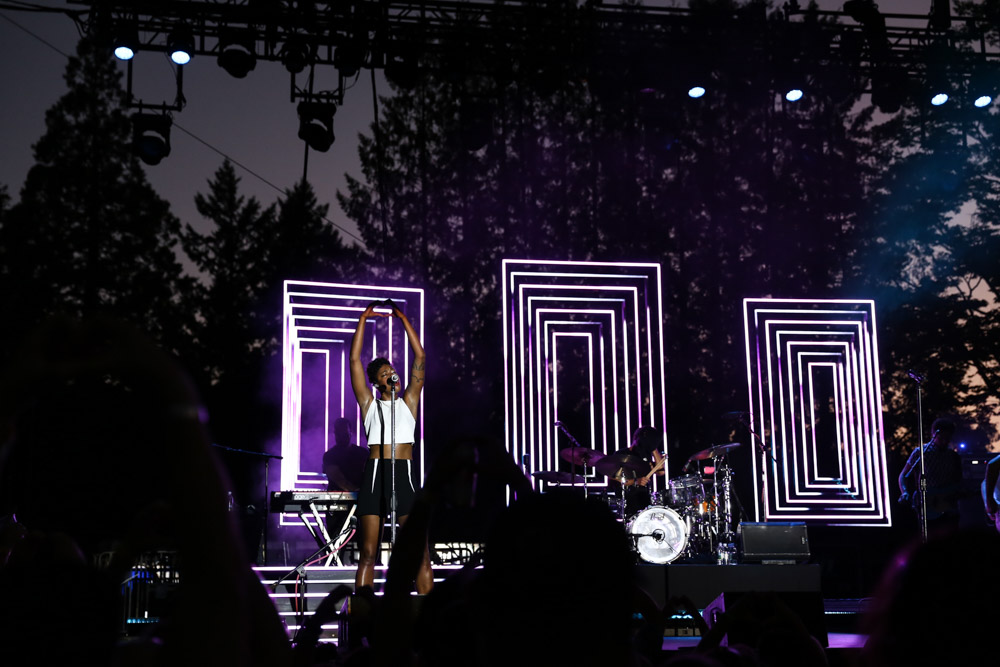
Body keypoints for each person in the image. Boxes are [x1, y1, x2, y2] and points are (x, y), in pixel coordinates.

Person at [349, 299, 433, 593]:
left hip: (405, 474)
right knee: (369, 554)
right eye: (383, 374)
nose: (390, 373)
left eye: (391, 369)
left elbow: (420, 355)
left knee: (420, 554)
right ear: (376, 383)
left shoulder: (409, 401)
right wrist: (363, 318)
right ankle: (363, 619)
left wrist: (402, 317)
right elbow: (355, 361)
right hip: (375, 475)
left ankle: (427, 618)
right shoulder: (368, 404)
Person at [898, 417, 963, 534]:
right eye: (941, 438)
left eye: (947, 438)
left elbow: (958, 481)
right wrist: (904, 492)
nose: (945, 441)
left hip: (948, 506)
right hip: (927, 505)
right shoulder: (920, 452)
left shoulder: (953, 456)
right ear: (933, 434)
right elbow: (903, 475)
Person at [607, 425, 667, 517]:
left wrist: (654, 448)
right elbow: (613, 478)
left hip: (643, 498)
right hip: (626, 498)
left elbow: (661, 472)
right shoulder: (622, 454)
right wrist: (635, 481)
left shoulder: (646, 455)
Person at [321, 417, 368, 492]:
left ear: (350, 433)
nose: (341, 435)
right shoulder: (329, 456)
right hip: (336, 500)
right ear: (335, 434)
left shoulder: (362, 453)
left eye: (344, 432)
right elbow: (339, 480)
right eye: (339, 432)